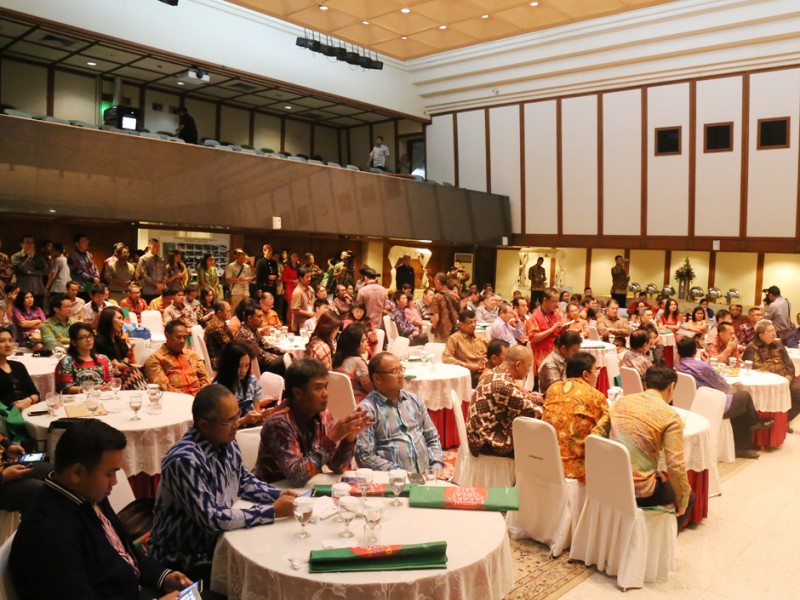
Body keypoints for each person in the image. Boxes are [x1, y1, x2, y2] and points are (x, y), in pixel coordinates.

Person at [10, 420, 198, 600]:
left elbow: (126, 552)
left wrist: (163, 576)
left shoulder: (87, 494)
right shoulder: (48, 532)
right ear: (77, 473)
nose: (114, 481)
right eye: (110, 473)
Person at [149, 384, 297, 583]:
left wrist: (277, 494)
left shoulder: (226, 441)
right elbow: (212, 519)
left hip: (217, 541)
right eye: (229, 420)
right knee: (264, 573)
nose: (237, 424)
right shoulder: (185, 461)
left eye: (237, 416)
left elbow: (243, 480)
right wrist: (272, 511)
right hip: (185, 559)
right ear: (204, 425)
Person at [593, 366, 694, 528]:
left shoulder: (621, 402)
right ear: (672, 386)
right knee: (689, 496)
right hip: (641, 490)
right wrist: (683, 498)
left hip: (610, 480)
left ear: (645, 384)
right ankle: (663, 539)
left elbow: (596, 436)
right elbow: (675, 465)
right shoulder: (670, 416)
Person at [256, 358, 372, 486]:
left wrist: (349, 437)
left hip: (306, 488)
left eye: (326, 386)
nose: (325, 394)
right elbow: (297, 477)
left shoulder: (323, 414)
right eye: (318, 388)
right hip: (273, 490)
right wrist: (333, 436)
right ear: (297, 393)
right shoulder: (279, 423)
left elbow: (337, 466)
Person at [675, 337, 772, 458]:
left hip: (688, 407)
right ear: (695, 351)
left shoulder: (677, 368)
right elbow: (723, 387)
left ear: (678, 351)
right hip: (709, 407)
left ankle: (750, 429)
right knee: (744, 397)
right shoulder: (702, 367)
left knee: (739, 403)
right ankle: (752, 427)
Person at [355, 352, 444, 472]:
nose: (401, 375)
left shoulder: (415, 400)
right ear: (377, 378)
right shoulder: (367, 410)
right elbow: (364, 456)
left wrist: (436, 465)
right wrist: (399, 474)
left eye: (401, 369)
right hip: (392, 480)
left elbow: (432, 438)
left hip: (426, 476)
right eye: (394, 371)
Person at [542, 352, 609, 481]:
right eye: (596, 371)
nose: (597, 375)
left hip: (547, 463)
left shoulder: (552, 389)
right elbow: (605, 431)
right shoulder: (595, 396)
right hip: (576, 469)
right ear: (585, 375)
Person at [467, 344, 543, 457]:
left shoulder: (496, 371)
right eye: (528, 366)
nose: (528, 371)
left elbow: (521, 396)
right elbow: (533, 412)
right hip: (486, 441)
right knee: (537, 442)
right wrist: (553, 406)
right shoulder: (503, 386)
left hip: (480, 433)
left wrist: (542, 398)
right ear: (518, 365)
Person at [743, 319, 800, 432]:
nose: (774, 333)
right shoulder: (752, 347)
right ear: (761, 335)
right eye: (770, 331)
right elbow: (757, 368)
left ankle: (785, 420)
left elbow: (789, 364)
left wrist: (788, 380)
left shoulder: (778, 344)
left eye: (774, 330)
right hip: (767, 382)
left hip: (786, 379)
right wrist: (779, 377)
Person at [144, 320, 211, 395]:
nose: (182, 341)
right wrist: (189, 398)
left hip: (201, 397)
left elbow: (205, 379)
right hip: (177, 399)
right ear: (167, 335)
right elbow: (163, 388)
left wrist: (202, 396)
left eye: (185, 337)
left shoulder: (192, 355)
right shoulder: (155, 359)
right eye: (178, 337)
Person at [214, 342, 267, 429]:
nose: (243, 370)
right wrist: (244, 420)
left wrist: (260, 416)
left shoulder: (252, 381)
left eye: (247, 365)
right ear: (228, 365)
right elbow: (218, 426)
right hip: (229, 433)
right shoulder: (217, 390)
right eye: (239, 366)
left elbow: (256, 410)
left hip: (250, 430)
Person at [0, 325, 41, 431]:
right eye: (2, 341)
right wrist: (16, 407)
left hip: (30, 411)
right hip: (7, 419)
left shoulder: (18, 366)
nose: (8, 344)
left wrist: (28, 400)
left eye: (10, 340)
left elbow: (36, 394)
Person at [56, 322, 113, 394]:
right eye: (83, 337)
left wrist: (107, 386)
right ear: (74, 342)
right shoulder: (67, 361)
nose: (89, 340)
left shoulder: (103, 359)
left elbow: (111, 383)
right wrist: (94, 388)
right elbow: (65, 389)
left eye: (90, 336)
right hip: (76, 399)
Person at [233, 303, 286, 375]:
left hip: (260, 362)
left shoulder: (252, 328)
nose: (262, 319)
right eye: (259, 316)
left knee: (286, 358)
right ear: (250, 318)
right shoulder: (246, 333)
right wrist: (280, 357)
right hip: (252, 368)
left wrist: (282, 351)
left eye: (262, 316)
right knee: (285, 361)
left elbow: (266, 345)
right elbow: (261, 356)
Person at [442, 309, 488, 388]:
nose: (474, 325)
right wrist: (467, 365)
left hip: (485, 370)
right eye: (470, 322)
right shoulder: (455, 338)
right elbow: (446, 357)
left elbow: (491, 354)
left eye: (475, 322)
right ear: (461, 324)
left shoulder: (481, 338)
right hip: (469, 373)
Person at [526, 287, 565, 376]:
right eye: (554, 302)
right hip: (543, 358)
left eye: (557, 302)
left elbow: (558, 333)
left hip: (558, 355)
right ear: (545, 300)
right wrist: (551, 330)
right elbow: (533, 338)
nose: (556, 305)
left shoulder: (556, 315)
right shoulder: (535, 317)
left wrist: (564, 329)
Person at [332, 323, 373, 403]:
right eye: (363, 341)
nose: (366, 343)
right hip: (358, 403)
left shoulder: (336, 358)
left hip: (338, 402)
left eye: (366, 339)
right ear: (353, 344)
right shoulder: (358, 363)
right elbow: (371, 388)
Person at [11, 234, 49, 308]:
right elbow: (23, 269)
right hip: (24, 291)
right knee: (23, 311)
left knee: (39, 312)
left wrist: (31, 272)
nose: (30, 244)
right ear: (21, 244)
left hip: (38, 290)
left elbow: (46, 271)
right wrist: (30, 258)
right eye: (28, 242)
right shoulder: (16, 256)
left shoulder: (39, 256)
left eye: (32, 242)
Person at [430, 272, 459, 343]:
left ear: (437, 281)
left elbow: (436, 317)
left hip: (442, 332)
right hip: (455, 331)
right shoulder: (455, 296)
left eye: (435, 282)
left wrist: (432, 328)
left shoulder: (437, 297)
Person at [204, 301, 233, 370]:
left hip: (223, 354)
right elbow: (229, 345)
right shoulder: (216, 327)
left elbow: (232, 337)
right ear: (219, 313)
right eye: (228, 311)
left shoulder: (221, 322)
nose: (230, 313)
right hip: (218, 360)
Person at [135, 238, 166, 303]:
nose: (157, 248)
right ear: (149, 247)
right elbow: (144, 274)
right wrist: (156, 284)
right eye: (155, 246)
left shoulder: (161, 259)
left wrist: (162, 284)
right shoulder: (143, 259)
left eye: (158, 246)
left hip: (160, 290)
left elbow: (165, 273)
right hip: (148, 291)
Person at [224, 248, 252, 312]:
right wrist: (238, 280)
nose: (242, 260)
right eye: (241, 258)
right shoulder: (231, 266)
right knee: (234, 310)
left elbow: (250, 279)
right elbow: (228, 280)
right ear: (236, 257)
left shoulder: (247, 267)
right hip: (236, 291)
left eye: (243, 258)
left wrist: (246, 279)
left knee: (246, 310)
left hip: (246, 291)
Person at [290, 267, 315, 333]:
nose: (309, 279)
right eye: (307, 277)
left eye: (310, 276)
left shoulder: (310, 289)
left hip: (310, 322)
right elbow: (295, 309)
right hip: (300, 324)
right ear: (300, 278)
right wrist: (308, 314)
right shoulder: (297, 292)